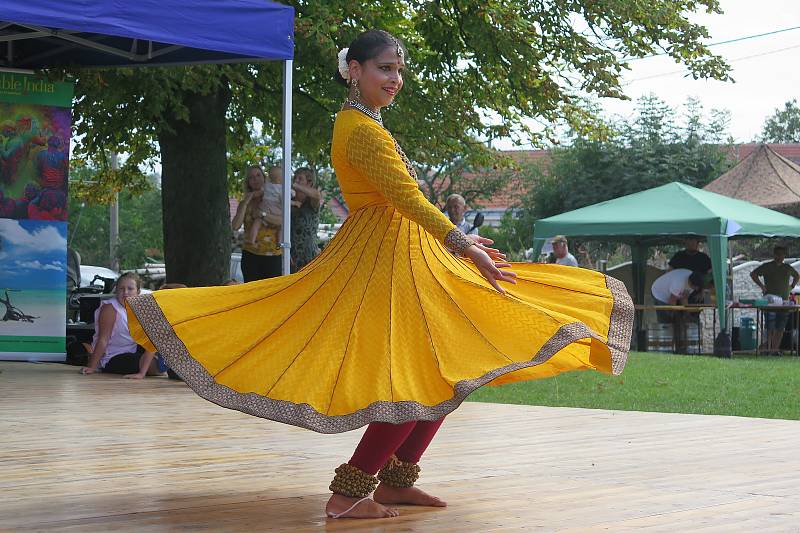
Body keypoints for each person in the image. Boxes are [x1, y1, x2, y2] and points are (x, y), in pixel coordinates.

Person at [126, 30, 633, 520]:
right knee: (419, 373)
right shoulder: (360, 129)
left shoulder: (365, 122)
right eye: (385, 69)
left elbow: (410, 201)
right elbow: (406, 198)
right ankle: (349, 492)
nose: (395, 79)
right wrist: (461, 242)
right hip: (384, 260)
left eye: (399, 71)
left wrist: (457, 242)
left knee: (452, 366)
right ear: (355, 70)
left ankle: (397, 478)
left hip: (408, 253)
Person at [80, 273, 159, 379]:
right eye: (121, 288)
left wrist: (142, 373)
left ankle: (168, 366)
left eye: (130, 288)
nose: (125, 292)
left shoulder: (142, 311)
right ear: (116, 290)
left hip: (133, 352)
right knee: (156, 365)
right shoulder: (110, 308)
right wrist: (92, 367)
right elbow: (103, 339)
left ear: (138, 292)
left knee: (164, 356)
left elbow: (151, 343)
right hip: (112, 357)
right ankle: (163, 366)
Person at [231, 165, 284, 281]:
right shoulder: (245, 203)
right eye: (251, 177)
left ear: (264, 178)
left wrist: (262, 215)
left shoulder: (276, 197)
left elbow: (283, 221)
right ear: (248, 182)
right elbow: (235, 226)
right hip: (250, 255)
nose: (255, 179)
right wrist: (245, 203)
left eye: (258, 175)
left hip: (273, 256)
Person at [750, 245, 800, 355]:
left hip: (784, 302)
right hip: (770, 301)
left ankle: (774, 349)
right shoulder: (767, 266)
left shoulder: (787, 267)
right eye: (778, 254)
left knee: (780, 328)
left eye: (782, 254)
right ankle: (767, 348)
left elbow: (797, 276)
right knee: (770, 327)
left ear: (784, 255)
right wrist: (762, 286)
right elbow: (753, 274)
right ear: (774, 254)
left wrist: (791, 286)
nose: (780, 256)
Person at [246, 166, 298, 245]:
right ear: (281, 179)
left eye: (258, 175)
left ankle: (251, 239)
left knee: (257, 222)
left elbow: (260, 192)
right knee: (282, 227)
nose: (255, 179)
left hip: (265, 207)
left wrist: (251, 196)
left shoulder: (267, 185)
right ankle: (280, 242)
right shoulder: (283, 189)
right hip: (276, 210)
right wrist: (295, 202)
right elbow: (285, 201)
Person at [290, 167, 322, 272]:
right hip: (290, 256)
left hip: (309, 257)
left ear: (309, 183)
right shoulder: (289, 201)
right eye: (295, 178)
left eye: (300, 178)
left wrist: (294, 185)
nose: (296, 180)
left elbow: (317, 195)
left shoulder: (311, 202)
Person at [668, 238, 712, 303]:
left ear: (697, 243)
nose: (691, 245)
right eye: (689, 242)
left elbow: (709, 276)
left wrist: (703, 291)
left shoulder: (704, 258)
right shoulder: (678, 256)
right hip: (678, 291)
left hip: (697, 294)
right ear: (685, 243)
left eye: (693, 243)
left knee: (693, 310)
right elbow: (670, 271)